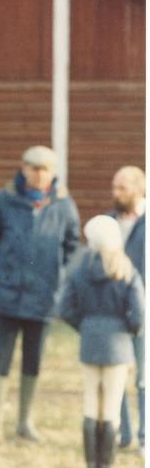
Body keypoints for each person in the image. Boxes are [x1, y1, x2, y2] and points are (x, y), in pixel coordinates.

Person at [0, 145, 81, 443]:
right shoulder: (5, 199)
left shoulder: (64, 205)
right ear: (23, 168)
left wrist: (53, 275)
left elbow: (72, 246)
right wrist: (7, 266)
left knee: (33, 360)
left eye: (45, 168)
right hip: (7, 295)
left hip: (43, 297)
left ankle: (25, 422)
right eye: (33, 167)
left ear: (53, 173)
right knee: (0, 359)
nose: (38, 174)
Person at [61, 215, 144, 468]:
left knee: (90, 403)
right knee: (110, 407)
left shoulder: (81, 268)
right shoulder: (126, 270)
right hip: (118, 346)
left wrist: (84, 326)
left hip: (89, 343)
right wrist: (129, 330)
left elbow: (66, 308)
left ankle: (90, 463)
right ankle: (105, 464)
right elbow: (140, 313)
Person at [110, 165, 145, 451]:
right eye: (114, 187)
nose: (116, 193)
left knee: (144, 376)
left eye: (122, 188)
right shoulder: (108, 222)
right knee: (117, 376)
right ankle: (124, 434)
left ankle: (146, 435)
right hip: (113, 313)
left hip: (144, 310)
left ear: (139, 188)